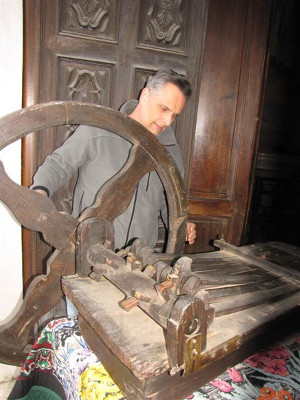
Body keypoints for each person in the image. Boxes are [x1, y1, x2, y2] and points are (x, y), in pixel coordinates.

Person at [31, 69, 196, 251]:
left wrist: (181, 224)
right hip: (87, 250)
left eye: (174, 115)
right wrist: (40, 191)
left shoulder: (170, 151)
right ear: (145, 95)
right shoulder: (98, 129)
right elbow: (58, 164)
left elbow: (169, 201)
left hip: (138, 259)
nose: (168, 121)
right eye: (164, 108)